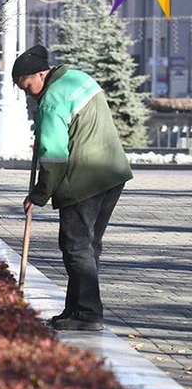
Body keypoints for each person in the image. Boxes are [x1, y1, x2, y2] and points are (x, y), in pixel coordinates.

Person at [12, 44, 132, 331]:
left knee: (76, 247)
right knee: (88, 247)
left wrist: (38, 196)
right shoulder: (79, 79)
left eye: (27, 86)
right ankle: (76, 309)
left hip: (83, 180)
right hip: (112, 174)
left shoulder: (51, 100)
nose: (28, 93)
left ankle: (89, 314)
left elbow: (54, 157)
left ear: (41, 74)